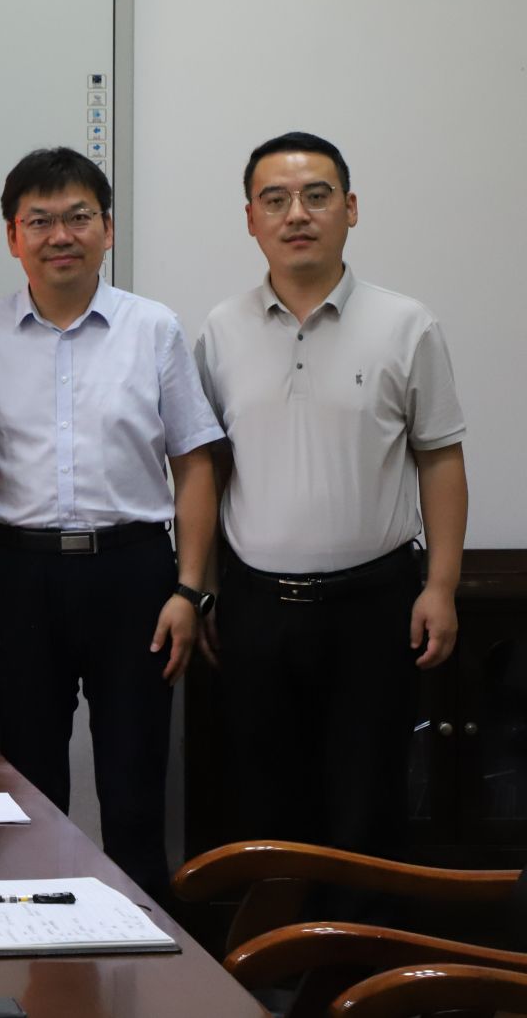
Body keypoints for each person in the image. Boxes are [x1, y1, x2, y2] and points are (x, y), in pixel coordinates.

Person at [0, 146, 219, 903]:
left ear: (108, 229)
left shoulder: (152, 327)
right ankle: (37, 943)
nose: (60, 235)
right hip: (20, 576)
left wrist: (189, 590)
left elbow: (195, 463)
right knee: (29, 790)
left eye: (77, 217)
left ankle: (143, 949)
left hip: (136, 575)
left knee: (134, 787)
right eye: (40, 221)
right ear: (13, 236)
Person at [195, 131, 465, 859]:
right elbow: (209, 469)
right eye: (275, 199)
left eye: (317, 196)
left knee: (367, 797)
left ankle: (358, 935)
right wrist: (206, 587)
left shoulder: (406, 324)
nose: (297, 214)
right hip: (255, 604)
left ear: (350, 208)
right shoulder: (220, 330)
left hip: (374, 604)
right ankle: (278, 936)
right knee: (263, 795)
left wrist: (441, 585)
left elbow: (440, 458)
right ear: (250, 218)